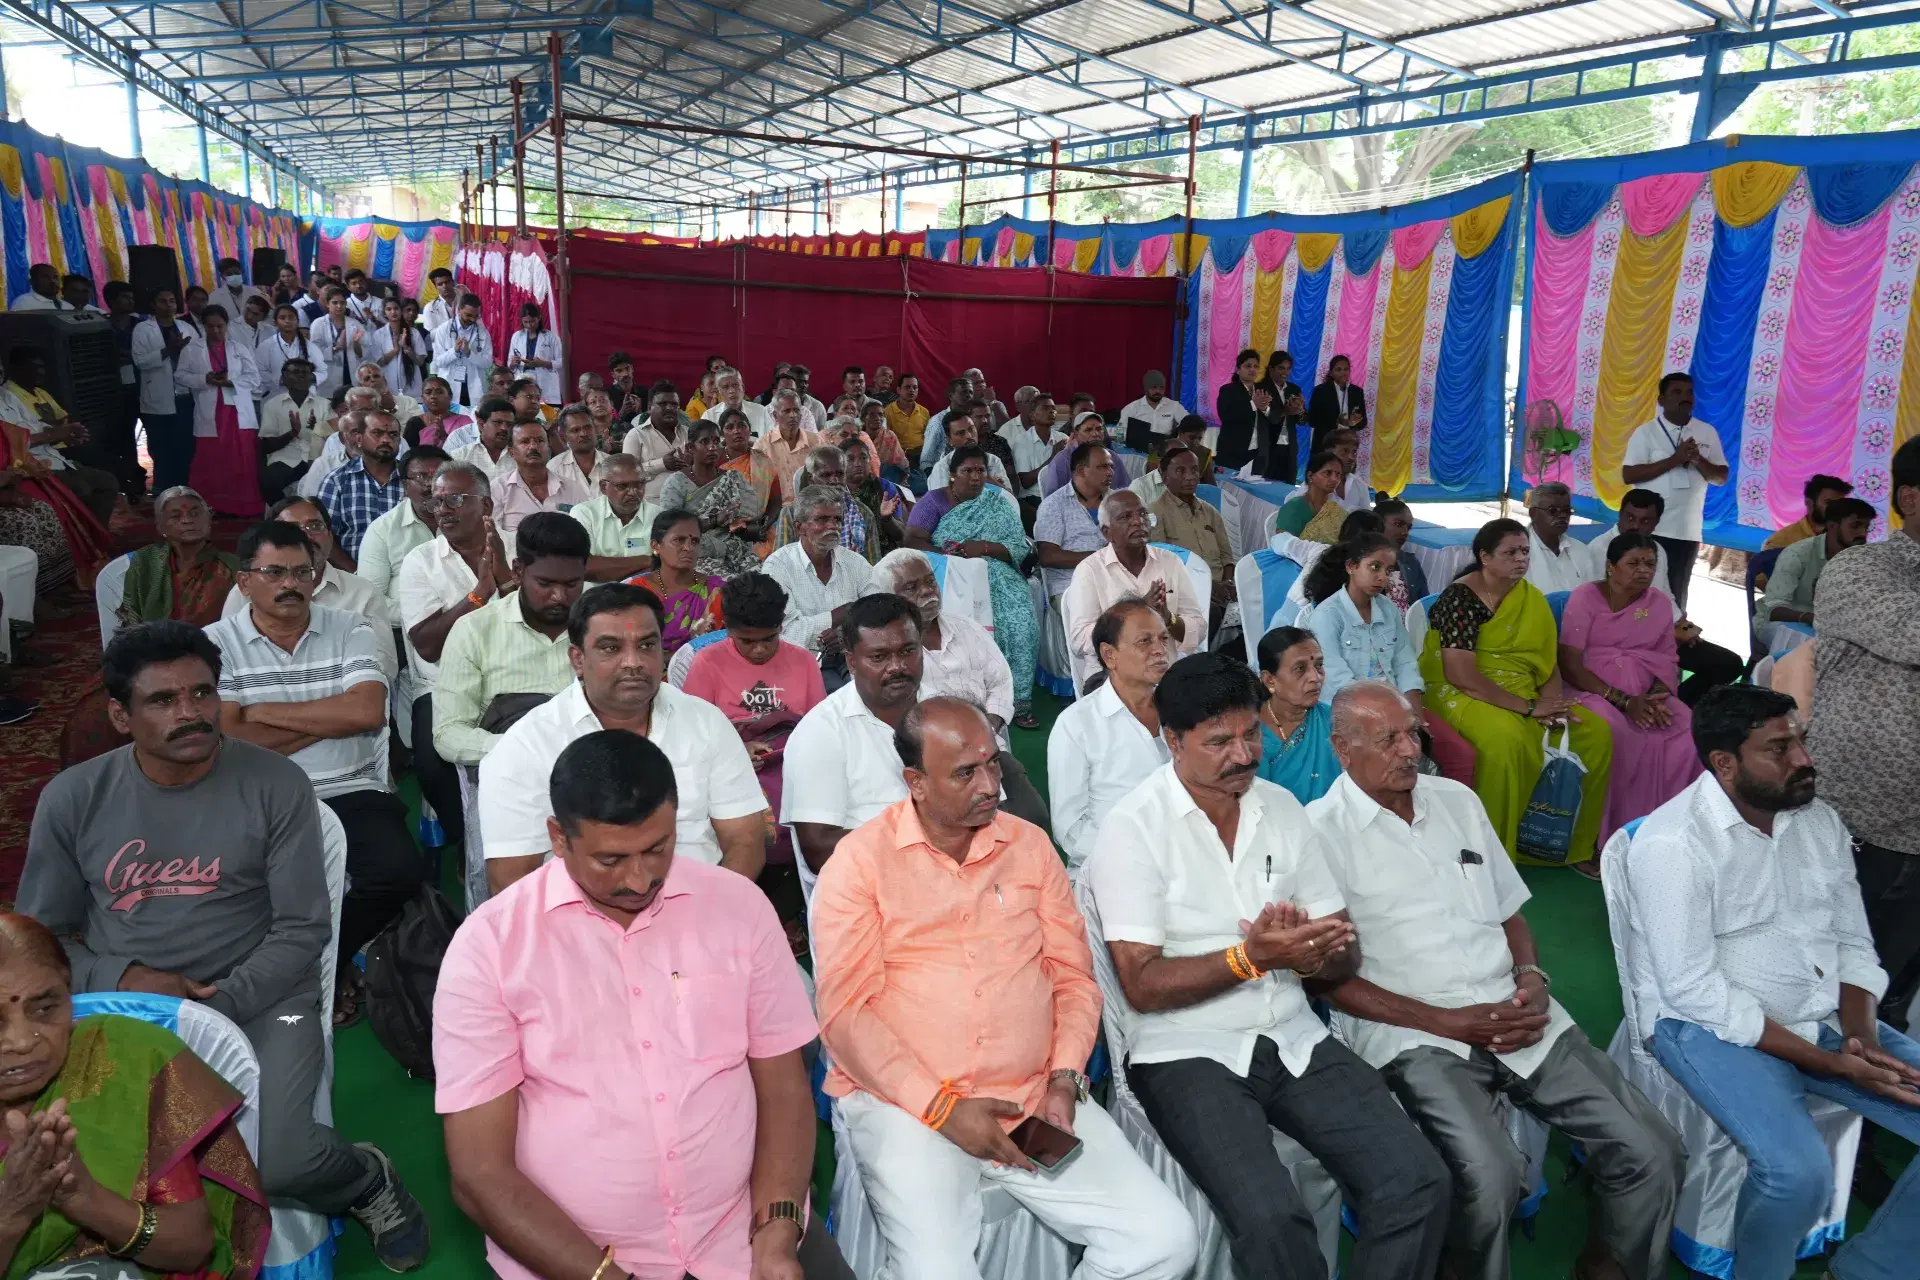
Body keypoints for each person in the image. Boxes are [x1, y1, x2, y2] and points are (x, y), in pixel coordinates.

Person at [22, 620, 431, 1268]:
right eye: (163, 700)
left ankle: (365, 1180)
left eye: (203, 693)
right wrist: (123, 976)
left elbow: (303, 931)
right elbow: (39, 943)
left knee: (286, 1159)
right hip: (122, 1004)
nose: (191, 713)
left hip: (268, 997)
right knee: (64, 1145)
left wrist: (225, 1001)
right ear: (120, 715)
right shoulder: (74, 798)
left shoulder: (276, 785)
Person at [1085, 651, 1451, 1280]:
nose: (1243, 754)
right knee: (1271, 1218)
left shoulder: (1281, 809)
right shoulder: (1132, 829)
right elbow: (1141, 986)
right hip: (1184, 1051)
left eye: (1251, 733)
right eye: (1219, 741)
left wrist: (1314, 953)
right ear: (1172, 741)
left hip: (1294, 1035)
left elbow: (1346, 953)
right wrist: (1249, 958)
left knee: (1418, 1181)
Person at [811, 695, 1200, 1279]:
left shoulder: (1028, 846)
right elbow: (845, 1016)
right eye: (966, 772)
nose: (991, 784)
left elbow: (1072, 980)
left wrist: (1065, 1080)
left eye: (993, 763)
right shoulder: (860, 863)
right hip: (909, 1108)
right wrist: (943, 1109)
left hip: (1032, 1097)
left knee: (1163, 1240)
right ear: (915, 782)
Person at [437, 728, 844, 1280]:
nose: (641, 878)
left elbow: (782, 1086)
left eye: (659, 848)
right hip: (575, 1261)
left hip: (738, 1231)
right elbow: (481, 1176)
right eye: (611, 860)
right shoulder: (491, 946)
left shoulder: (738, 907)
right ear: (559, 838)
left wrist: (775, 1235)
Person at [1312, 682, 1683, 1280]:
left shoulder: (1456, 800)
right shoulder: (1318, 834)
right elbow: (1330, 985)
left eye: (1413, 733)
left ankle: (1606, 1269)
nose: (1410, 750)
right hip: (1416, 1034)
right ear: (1343, 749)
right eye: (1388, 739)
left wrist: (1532, 976)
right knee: (1487, 1178)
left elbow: (1510, 911)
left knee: (1653, 1151)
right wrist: (1446, 1022)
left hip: (1515, 1009)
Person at [1620, 684, 1920, 1280]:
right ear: (1724, 764)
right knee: (1796, 1174)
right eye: (1778, 749)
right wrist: (1825, 1062)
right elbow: (1693, 991)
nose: (1803, 759)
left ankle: (1870, 1269)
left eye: (1800, 740)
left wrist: (1862, 1037)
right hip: (1708, 1028)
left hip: (1827, 1019)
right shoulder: (1673, 845)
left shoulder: (1818, 820)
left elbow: (1854, 942)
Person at [206, 521, 425, 1005]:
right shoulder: (215, 643)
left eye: (302, 572)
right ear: (244, 582)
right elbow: (229, 739)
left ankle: (321, 961)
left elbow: (367, 712)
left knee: (399, 872)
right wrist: (329, 716)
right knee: (236, 887)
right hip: (257, 794)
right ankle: (311, 965)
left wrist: (260, 712)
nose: (290, 584)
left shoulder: (348, 627)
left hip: (350, 787)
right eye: (274, 572)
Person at [0, 910, 273, 1276]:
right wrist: (11, 1214)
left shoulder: (121, 1060)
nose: (21, 1041)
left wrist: (86, 1199)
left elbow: (191, 1248)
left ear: (69, 992)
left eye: (46, 1008)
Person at [479, 583, 768, 895]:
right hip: (580, 931)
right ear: (578, 659)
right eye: (610, 648)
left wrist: (701, 926)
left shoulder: (706, 722)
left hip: (701, 914)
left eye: (646, 646)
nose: (633, 662)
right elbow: (511, 883)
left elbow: (745, 842)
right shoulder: (525, 747)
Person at [1418, 518, 1613, 868]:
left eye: (1524, 551)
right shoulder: (1459, 598)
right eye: (1510, 552)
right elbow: (1460, 674)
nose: (1521, 559)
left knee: (1595, 733)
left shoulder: (1531, 599)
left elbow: (1546, 661)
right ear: (1485, 557)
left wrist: (1551, 703)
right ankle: (1491, 856)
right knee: (1505, 741)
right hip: (1461, 689)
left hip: (1524, 691)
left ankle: (1572, 848)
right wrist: (1529, 707)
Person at [1809, 436, 1920, 1027]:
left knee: (1892, 991)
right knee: (1823, 982)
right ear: (1910, 496)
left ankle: (1874, 1104)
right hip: (1860, 822)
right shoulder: (1862, 569)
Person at [682, 573, 828, 920]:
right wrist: (736, 752)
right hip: (732, 778)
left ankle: (787, 910)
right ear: (727, 629)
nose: (760, 649)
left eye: (770, 638)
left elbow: (818, 730)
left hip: (792, 772)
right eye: (747, 641)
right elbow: (692, 736)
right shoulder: (708, 663)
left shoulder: (803, 661)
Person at [870, 548, 1050, 829]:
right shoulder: (893, 656)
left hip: (990, 749)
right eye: (912, 587)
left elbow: (1001, 681)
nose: (928, 591)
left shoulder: (967, 629)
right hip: (939, 767)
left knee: (1034, 821)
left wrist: (987, 725)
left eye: (930, 581)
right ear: (889, 598)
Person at [1557, 532, 1701, 851]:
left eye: (1650, 563)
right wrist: (1624, 702)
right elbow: (1570, 663)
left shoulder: (1660, 604)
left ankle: (1665, 833)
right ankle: (1607, 837)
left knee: (1686, 729)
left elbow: (1667, 657)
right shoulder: (1586, 596)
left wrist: (1658, 696)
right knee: (1618, 733)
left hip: (1646, 691)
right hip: (1592, 690)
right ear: (1611, 567)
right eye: (1633, 562)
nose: (1643, 570)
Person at [779, 594, 925, 881]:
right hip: (868, 893)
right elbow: (820, 851)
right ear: (852, 661)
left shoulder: (946, 712)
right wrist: (929, 841)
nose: (897, 666)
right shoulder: (820, 733)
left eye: (907, 650)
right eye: (879, 657)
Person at [431, 510, 587, 768]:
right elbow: (448, 733)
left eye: (572, 584)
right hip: (509, 769)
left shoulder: (602, 623)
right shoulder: (475, 631)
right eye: (545, 583)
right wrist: (524, 747)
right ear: (517, 572)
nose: (559, 596)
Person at [1047, 599, 1172, 869]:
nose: (1160, 650)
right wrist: (1136, 857)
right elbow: (1069, 829)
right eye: (1144, 642)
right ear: (1109, 655)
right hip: (1111, 866)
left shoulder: (1182, 710)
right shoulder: (1076, 725)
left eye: (1163, 639)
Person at [929, 446, 1040, 727]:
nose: (975, 477)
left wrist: (985, 548)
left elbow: (1018, 546)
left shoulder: (999, 503)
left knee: (1021, 625)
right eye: (967, 471)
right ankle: (970, 700)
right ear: (953, 475)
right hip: (956, 578)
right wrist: (951, 556)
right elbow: (915, 539)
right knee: (967, 629)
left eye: (980, 470)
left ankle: (1019, 701)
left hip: (1001, 575)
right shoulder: (935, 502)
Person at [1603, 489, 1744, 705]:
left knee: (1729, 664)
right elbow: (1602, 606)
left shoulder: (1656, 549)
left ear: (1656, 524)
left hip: (1664, 633)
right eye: (1630, 518)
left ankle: (1676, 705)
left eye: (1645, 521)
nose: (1635, 526)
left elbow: (1665, 594)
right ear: (1619, 515)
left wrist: (1681, 625)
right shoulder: (1599, 549)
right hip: (1622, 639)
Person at [1063, 490, 1203, 693]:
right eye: (1125, 517)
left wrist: (1167, 618)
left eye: (1143, 514)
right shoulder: (1090, 570)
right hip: (1111, 676)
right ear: (1107, 532)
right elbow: (1079, 639)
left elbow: (1198, 629)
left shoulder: (1170, 563)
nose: (1138, 522)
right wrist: (1138, 611)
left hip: (1166, 672)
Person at [1620, 372, 1727, 610]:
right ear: (1661, 400)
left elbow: (1720, 477)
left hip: (1685, 531)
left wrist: (1697, 459)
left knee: (1675, 599)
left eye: (1689, 392)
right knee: (1638, 592)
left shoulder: (1707, 432)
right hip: (1648, 530)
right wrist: (1674, 459)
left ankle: (1668, 644)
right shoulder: (1645, 433)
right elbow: (1629, 475)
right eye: (1677, 392)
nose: (1685, 397)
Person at [1303, 531, 1424, 718]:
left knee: (1447, 744)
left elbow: (1405, 663)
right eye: (1375, 567)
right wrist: (1386, 713)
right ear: (1351, 566)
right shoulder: (1327, 616)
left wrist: (1416, 714)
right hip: (1350, 713)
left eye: (1388, 571)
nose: (1383, 577)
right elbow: (1337, 681)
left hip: (1393, 705)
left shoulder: (1388, 609)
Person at [0, 345, 124, 528]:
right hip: (28, 467)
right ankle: (81, 540)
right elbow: (9, 444)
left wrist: (64, 436)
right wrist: (54, 433)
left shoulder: (7, 397)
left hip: (54, 458)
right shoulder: (12, 392)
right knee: (82, 489)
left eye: (0, 370)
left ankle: (95, 537)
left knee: (107, 482)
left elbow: (38, 426)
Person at [1755, 496, 1874, 651]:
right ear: (1832, 526)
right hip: (1783, 624)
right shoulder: (1798, 554)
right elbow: (1774, 610)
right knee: (1814, 651)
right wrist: (1809, 618)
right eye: (1855, 526)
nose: (1862, 533)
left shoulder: (1859, 560)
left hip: (1826, 628)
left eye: (1866, 527)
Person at [661, 416, 772, 576]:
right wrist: (714, 521)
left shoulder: (733, 478)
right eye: (704, 442)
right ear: (691, 448)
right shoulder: (676, 483)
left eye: (716, 441)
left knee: (764, 582)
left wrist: (745, 527)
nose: (712, 447)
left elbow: (751, 519)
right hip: (697, 552)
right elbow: (670, 529)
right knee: (729, 586)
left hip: (736, 549)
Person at [116, 485, 238, 629]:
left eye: (195, 513)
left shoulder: (231, 566)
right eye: (176, 516)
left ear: (209, 520)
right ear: (161, 527)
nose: (187, 520)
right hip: (154, 644)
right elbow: (132, 614)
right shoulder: (146, 560)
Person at [355, 444, 450, 611]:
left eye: (439, 477)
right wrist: (424, 619)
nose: (431, 485)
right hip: (403, 630)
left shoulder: (468, 520)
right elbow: (371, 599)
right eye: (422, 477)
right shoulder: (382, 530)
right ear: (405, 486)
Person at [1253, 625, 1341, 804]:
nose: (1315, 677)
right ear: (1270, 680)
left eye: (1319, 665)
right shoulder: (1247, 732)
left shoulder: (1336, 722)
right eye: (1300, 669)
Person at [1150, 445, 1233, 621]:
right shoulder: (1155, 512)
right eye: (1180, 471)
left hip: (1220, 589)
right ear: (1165, 478)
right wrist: (1208, 586)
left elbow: (1227, 559)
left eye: (1195, 470)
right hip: (1183, 590)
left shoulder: (1210, 512)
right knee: (1211, 612)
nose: (1190, 477)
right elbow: (1162, 567)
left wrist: (1229, 584)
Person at [628, 508, 726, 652]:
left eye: (695, 541)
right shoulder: (636, 591)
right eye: (678, 540)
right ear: (656, 546)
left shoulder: (716, 591)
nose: (688, 547)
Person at [130, 287, 199, 493]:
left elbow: (199, 356)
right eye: (162, 301)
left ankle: (185, 489)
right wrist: (169, 350)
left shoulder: (186, 327)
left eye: (171, 301)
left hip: (186, 396)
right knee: (161, 448)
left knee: (186, 446)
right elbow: (140, 361)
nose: (168, 305)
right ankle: (162, 490)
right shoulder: (143, 329)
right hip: (158, 398)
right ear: (153, 305)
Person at [318, 408, 407, 562]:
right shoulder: (337, 481)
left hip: (406, 572)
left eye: (393, 435)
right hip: (352, 574)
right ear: (359, 439)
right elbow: (324, 539)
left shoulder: (411, 480)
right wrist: (355, 576)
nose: (386, 440)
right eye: (377, 433)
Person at [771, 445, 883, 561]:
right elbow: (781, 562)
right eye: (826, 475)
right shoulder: (791, 513)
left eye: (840, 474)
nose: (835, 481)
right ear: (811, 479)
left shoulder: (863, 513)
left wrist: (852, 566)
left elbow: (873, 568)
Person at [1034, 440, 1113, 595]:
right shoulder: (1055, 504)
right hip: (1071, 585)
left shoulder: (1117, 501)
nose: (1110, 472)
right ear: (1081, 471)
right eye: (1102, 467)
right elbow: (1047, 556)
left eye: (1111, 466)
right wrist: (1101, 557)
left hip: (1114, 581)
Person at [490, 419, 590, 537]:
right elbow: (494, 536)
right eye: (525, 441)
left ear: (549, 448)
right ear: (512, 452)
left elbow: (586, 533)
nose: (533, 446)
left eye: (540, 441)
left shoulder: (572, 488)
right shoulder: (497, 489)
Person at [569, 451, 658, 582]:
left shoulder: (659, 516)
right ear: (604, 487)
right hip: (595, 600)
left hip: (643, 599)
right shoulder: (584, 513)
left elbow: (666, 569)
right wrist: (649, 560)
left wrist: (607, 568)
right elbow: (583, 568)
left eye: (639, 484)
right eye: (623, 486)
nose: (633, 492)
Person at [257, 355, 327, 500]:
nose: (301, 376)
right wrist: (292, 433)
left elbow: (335, 440)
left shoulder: (324, 404)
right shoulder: (272, 405)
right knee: (268, 481)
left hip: (317, 458)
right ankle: (287, 513)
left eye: (305, 372)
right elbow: (267, 446)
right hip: (286, 458)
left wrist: (318, 429)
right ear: (284, 378)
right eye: (296, 372)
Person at [1522, 482, 1596, 596]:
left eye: (1566, 511)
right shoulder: (1518, 554)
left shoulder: (1581, 550)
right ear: (1533, 513)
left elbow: (1591, 597)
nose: (1562, 516)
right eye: (1553, 510)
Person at [922, 407, 1016, 498]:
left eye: (971, 429)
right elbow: (943, 506)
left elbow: (1010, 499)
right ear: (949, 440)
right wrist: (991, 484)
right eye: (960, 433)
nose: (969, 436)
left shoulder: (993, 460)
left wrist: (990, 481)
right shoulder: (942, 468)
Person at [1215, 348, 1277, 474]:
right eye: (1248, 366)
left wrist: (1265, 409)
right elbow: (1225, 416)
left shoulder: (1263, 390)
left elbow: (1275, 419)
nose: (1252, 369)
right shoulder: (1228, 390)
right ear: (1238, 370)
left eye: (1255, 366)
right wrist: (1253, 404)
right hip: (1232, 451)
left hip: (1259, 453)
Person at [998, 390, 1060, 514]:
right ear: (1032, 415)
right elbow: (1025, 481)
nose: (1051, 411)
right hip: (1032, 498)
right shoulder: (1021, 441)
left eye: (1053, 408)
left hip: (1057, 496)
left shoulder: (1063, 438)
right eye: (1045, 408)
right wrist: (1053, 458)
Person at [1040, 412, 1129, 497]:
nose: (1095, 434)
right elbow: (1053, 498)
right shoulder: (1063, 460)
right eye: (1088, 430)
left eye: (1099, 429)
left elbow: (1126, 490)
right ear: (1076, 434)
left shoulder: (1112, 456)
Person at [1272, 449, 1348, 543]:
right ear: (1310, 476)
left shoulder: (1336, 511)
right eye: (1327, 473)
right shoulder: (1294, 508)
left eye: (1338, 475)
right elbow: (1283, 545)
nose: (1334, 479)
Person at [1764, 474, 1854, 551]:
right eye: (1828, 502)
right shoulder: (1780, 542)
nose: (1836, 508)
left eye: (1840, 503)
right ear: (1809, 502)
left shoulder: (1846, 538)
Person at [432, 294, 492, 406]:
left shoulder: (483, 333)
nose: (473, 319)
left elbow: (487, 363)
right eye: (468, 315)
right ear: (459, 310)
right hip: (450, 385)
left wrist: (469, 353)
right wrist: (454, 351)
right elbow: (438, 361)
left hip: (474, 387)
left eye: (476, 316)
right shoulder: (443, 330)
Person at [367, 297, 429, 401]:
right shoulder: (379, 334)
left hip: (412, 388)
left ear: (401, 311)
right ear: (384, 313)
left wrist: (406, 348)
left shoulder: (414, 333)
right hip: (389, 386)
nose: (393, 312)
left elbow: (420, 361)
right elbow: (378, 362)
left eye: (396, 308)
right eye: (389, 309)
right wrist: (395, 350)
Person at [307, 288, 366, 399]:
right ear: (327, 304)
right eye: (335, 303)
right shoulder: (318, 324)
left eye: (342, 303)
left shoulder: (355, 323)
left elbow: (363, 354)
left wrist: (356, 344)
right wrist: (337, 347)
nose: (339, 306)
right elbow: (314, 352)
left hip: (351, 373)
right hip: (329, 373)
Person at [1259, 351, 1307, 481]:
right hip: (1268, 446)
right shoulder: (1261, 388)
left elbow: (1303, 422)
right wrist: (1286, 411)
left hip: (1289, 447)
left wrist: (1301, 410)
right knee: (1266, 487)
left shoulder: (1294, 389)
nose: (1285, 372)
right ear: (1271, 368)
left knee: (1288, 487)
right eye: (1281, 368)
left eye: (1288, 368)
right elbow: (1268, 416)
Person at [1117, 368, 1187, 454]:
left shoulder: (1173, 406)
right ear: (1146, 388)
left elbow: (1188, 423)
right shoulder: (1131, 408)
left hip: (1165, 452)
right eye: (1154, 387)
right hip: (1138, 452)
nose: (1158, 391)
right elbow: (1121, 432)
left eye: (1161, 388)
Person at [1375, 498, 1430, 605]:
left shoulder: (1411, 563)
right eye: (1398, 524)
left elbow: (1423, 606)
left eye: (1408, 527)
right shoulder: (1360, 563)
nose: (1405, 532)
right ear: (1378, 525)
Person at [1306, 352, 1368, 447]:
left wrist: (1353, 423)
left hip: (1347, 445)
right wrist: (1338, 421)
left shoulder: (1357, 392)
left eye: (1346, 369)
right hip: (1324, 444)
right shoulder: (1320, 391)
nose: (1343, 372)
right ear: (1331, 373)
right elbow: (1312, 420)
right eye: (1338, 369)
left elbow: (1363, 422)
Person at [505, 302, 562, 404]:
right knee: (525, 407)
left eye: (532, 321)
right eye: (525, 322)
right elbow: (510, 362)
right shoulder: (517, 336)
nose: (529, 325)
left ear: (539, 318)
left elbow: (561, 362)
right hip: (523, 378)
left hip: (545, 381)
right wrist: (513, 363)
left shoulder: (551, 337)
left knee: (546, 413)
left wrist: (543, 363)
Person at [547, 403, 609, 493]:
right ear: (565, 437)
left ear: (595, 429)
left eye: (587, 427)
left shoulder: (611, 464)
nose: (583, 434)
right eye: (575, 430)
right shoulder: (554, 468)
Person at [454, 396, 517, 482]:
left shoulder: (519, 456)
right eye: (497, 422)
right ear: (481, 424)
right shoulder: (460, 456)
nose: (504, 428)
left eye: (509, 424)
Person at [405, 376, 472, 450]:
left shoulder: (464, 422)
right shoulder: (414, 423)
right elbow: (410, 455)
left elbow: (471, 450)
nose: (433, 396)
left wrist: (445, 437)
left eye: (439, 392)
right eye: (428, 393)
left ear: (450, 396)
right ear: (422, 398)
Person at [701, 367, 770, 437]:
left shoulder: (760, 411)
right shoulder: (709, 416)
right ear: (719, 392)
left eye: (735, 385)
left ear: (743, 387)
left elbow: (771, 441)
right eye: (725, 387)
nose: (732, 390)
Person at [882, 372, 929, 460]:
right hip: (897, 456)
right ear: (898, 390)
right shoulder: (887, 411)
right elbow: (886, 440)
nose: (911, 390)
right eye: (907, 387)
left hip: (921, 456)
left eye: (915, 387)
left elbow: (928, 437)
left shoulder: (924, 412)